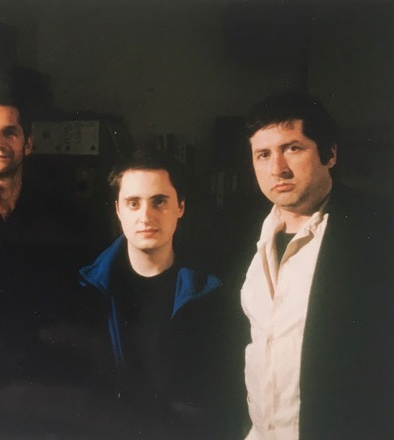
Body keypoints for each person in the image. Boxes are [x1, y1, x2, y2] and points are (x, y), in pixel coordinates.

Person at [241, 91, 394, 439]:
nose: (277, 168)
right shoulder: (245, 236)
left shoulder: (380, 230)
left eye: (292, 148)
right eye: (263, 154)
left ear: (330, 154)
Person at [78, 149, 246, 439]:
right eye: (133, 203)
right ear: (118, 210)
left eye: (159, 202)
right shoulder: (86, 289)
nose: (146, 216)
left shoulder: (215, 293)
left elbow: (228, 398)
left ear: (180, 207)